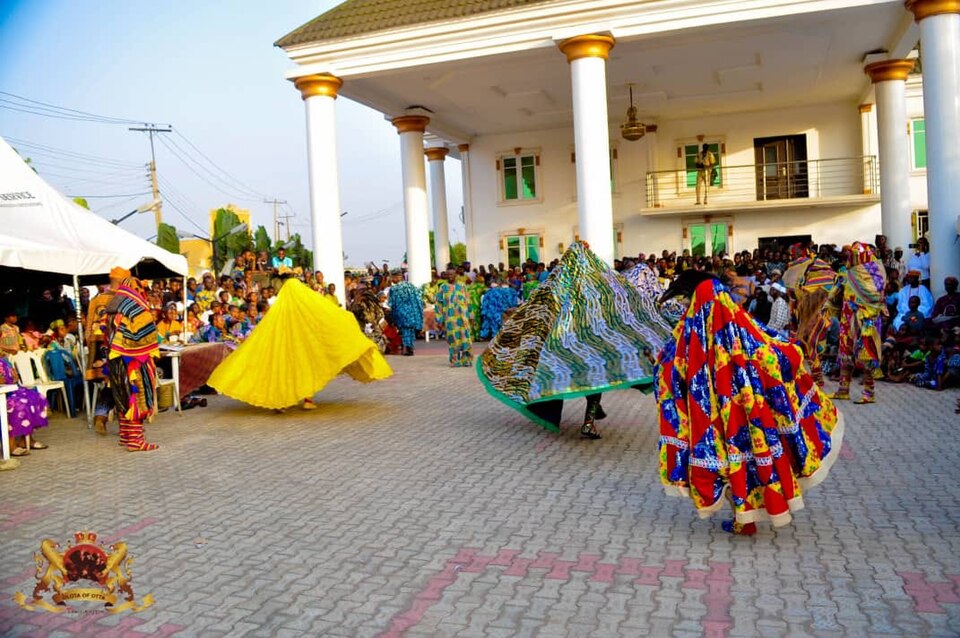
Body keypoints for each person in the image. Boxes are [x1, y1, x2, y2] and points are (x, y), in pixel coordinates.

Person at [656, 270, 842, 535]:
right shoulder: (740, 328)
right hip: (749, 416)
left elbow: (672, 364)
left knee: (730, 464)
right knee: (746, 461)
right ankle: (745, 518)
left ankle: (743, 519)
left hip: (716, 418)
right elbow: (775, 348)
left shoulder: (694, 333)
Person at [477, 242, 671, 439]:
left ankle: (592, 413)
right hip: (587, 342)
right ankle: (589, 420)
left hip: (565, 343)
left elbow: (537, 311)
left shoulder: (557, 287)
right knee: (595, 377)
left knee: (591, 377)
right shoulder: (594, 286)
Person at [206, 279, 392, 411]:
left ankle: (283, 402)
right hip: (303, 351)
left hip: (284, 351)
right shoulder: (304, 311)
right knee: (306, 372)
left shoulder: (279, 313)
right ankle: (305, 400)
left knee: (285, 373)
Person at [104, 276, 161, 452]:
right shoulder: (135, 307)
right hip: (134, 361)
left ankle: (126, 436)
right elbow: (145, 334)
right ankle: (136, 441)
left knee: (122, 396)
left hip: (115, 359)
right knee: (137, 398)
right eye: (139, 288)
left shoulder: (113, 305)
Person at [827, 242, 887, 404]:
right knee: (845, 354)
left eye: (852, 255)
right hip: (848, 320)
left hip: (867, 322)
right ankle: (843, 390)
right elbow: (834, 296)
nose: (849, 258)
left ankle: (869, 393)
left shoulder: (874, 273)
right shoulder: (847, 273)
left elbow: (876, 297)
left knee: (867, 356)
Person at [782, 246, 838, 386]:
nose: (791, 257)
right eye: (790, 254)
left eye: (793, 254)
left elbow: (827, 285)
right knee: (804, 344)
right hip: (802, 312)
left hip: (817, 311)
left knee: (812, 342)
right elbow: (792, 295)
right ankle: (811, 377)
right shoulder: (794, 270)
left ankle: (816, 378)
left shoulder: (817, 266)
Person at [0, 356, 49, 463]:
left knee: (37, 398)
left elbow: (13, 379)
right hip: (3, 394)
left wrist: (15, 378)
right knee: (18, 404)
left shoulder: (4, 361)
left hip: (10, 390)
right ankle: (10, 444)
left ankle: (26, 438)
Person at [435, 269, 474, 367]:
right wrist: (439, 319)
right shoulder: (443, 287)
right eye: (447, 275)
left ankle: (466, 360)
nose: (449, 276)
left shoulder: (462, 286)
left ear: (456, 274)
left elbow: (468, 301)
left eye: (451, 274)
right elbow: (439, 304)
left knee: (465, 338)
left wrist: (471, 315)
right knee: (453, 340)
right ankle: (455, 360)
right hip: (450, 318)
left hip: (463, 317)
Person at [387, 273, 424, 356]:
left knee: (405, 331)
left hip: (401, 313)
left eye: (392, 278)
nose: (392, 280)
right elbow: (419, 297)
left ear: (398, 277)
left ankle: (406, 348)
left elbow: (391, 303)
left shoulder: (394, 288)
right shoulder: (411, 286)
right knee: (410, 330)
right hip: (413, 313)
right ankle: (410, 347)